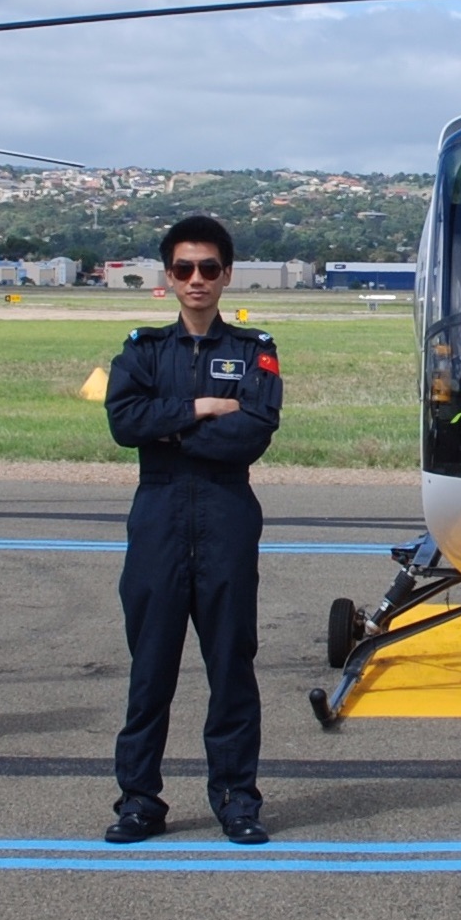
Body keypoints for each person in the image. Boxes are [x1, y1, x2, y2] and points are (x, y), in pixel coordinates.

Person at [101, 214, 282, 844]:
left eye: (209, 268)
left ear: (227, 275)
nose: (197, 279)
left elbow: (253, 433)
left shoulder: (254, 349)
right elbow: (124, 422)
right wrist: (200, 409)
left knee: (231, 663)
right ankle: (139, 799)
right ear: (169, 276)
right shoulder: (143, 350)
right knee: (150, 668)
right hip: (157, 518)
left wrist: (167, 427)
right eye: (184, 269)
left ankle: (237, 798)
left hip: (226, 515)